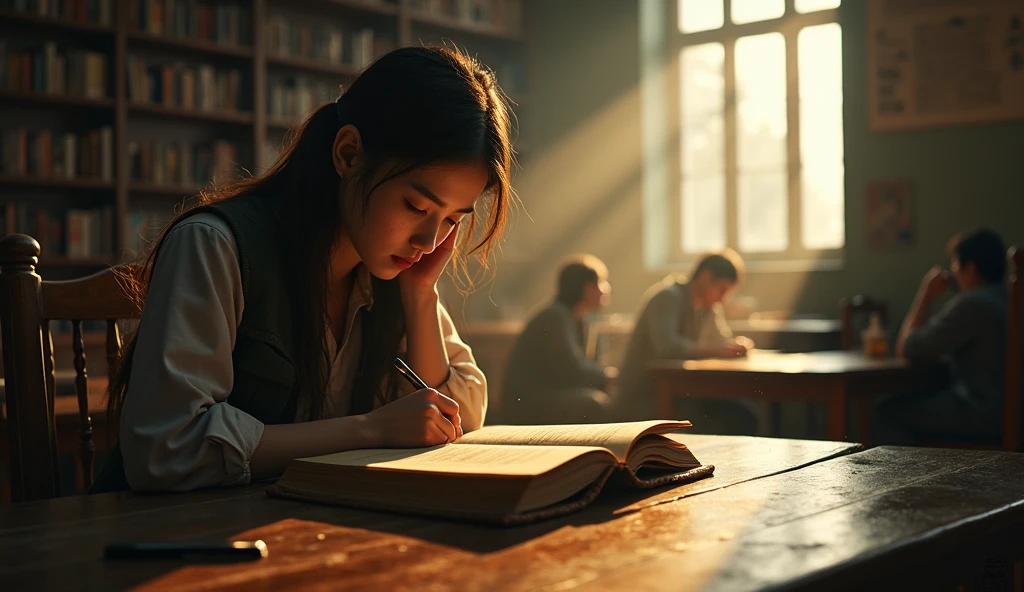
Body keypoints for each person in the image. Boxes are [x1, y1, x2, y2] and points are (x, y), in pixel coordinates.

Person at [90, 46, 513, 492]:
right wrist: (370, 429)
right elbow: (166, 448)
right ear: (349, 155)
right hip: (162, 539)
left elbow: (458, 412)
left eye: (452, 220)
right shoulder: (216, 245)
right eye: (416, 205)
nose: (429, 243)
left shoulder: (393, 268)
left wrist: (422, 293)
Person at [873, 229, 1008, 445]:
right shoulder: (1010, 299)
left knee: (887, 411)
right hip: (1010, 415)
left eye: (955, 265)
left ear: (970, 268)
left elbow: (907, 347)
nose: (952, 273)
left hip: (981, 413)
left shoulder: (972, 305)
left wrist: (925, 295)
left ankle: (903, 479)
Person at [617, 250, 757, 433]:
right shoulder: (667, 297)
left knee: (743, 413)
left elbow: (721, 340)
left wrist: (735, 346)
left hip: (680, 392)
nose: (723, 299)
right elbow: (668, 346)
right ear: (706, 277)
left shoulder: (708, 306)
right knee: (734, 416)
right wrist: (718, 349)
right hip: (646, 394)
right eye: (722, 290)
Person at [501, 255, 615, 424]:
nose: (606, 289)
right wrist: (608, 377)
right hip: (529, 404)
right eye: (599, 283)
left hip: (547, 397)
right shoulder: (555, 317)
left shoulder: (579, 320)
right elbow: (571, 369)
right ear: (584, 288)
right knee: (594, 404)